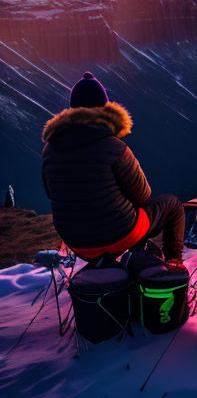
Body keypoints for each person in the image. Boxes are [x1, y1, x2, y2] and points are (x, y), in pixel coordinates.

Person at [41, 71, 185, 268]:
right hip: (119, 236)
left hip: (77, 243)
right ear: (105, 108)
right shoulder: (114, 146)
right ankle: (173, 264)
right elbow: (143, 194)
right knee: (173, 204)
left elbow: (52, 193)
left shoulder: (50, 150)